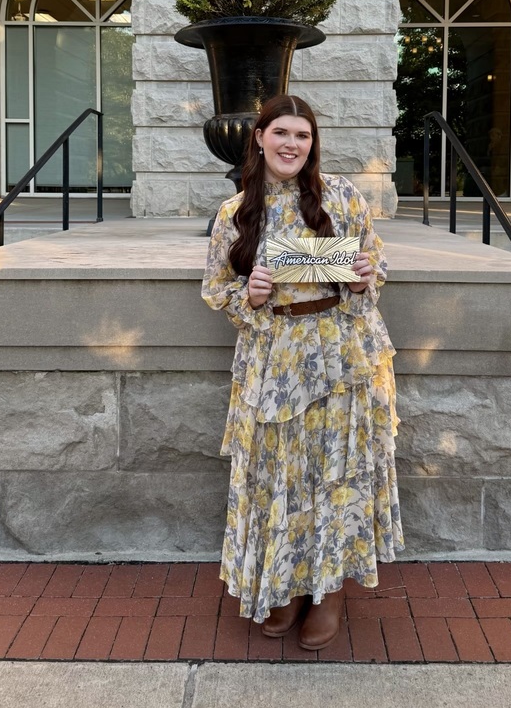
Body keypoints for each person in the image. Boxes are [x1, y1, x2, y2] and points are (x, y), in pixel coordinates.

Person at [202, 94, 403, 651]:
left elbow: (374, 264)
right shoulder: (235, 212)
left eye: (303, 135)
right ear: (260, 137)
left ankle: (330, 591)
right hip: (276, 359)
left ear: (312, 144)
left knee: (337, 475)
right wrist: (251, 294)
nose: (292, 144)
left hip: (344, 354)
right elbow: (215, 288)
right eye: (281, 133)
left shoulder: (341, 195)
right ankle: (289, 583)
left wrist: (364, 277)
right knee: (283, 476)